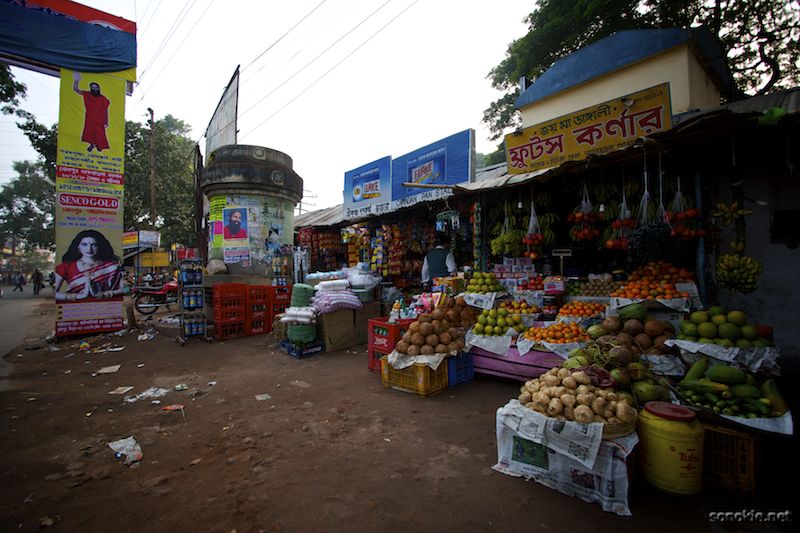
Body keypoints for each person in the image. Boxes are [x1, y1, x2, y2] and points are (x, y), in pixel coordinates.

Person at [54, 230, 124, 302]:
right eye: (84, 244)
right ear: (78, 247)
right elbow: (54, 293)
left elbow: (125, 289)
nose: (89, 249)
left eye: (94, 245)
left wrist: (105, 294)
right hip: (76, 309)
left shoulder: (112, 267)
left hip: (105, 307)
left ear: (99, 247)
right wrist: (79, 296)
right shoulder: (65, 267)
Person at [72, 71, 110, 153]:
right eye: (93, 87)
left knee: (100, 134)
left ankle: (99, 145)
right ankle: (92, 145)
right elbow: (76, 89)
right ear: (91, 88)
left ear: (98, 88)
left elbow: (106, 110)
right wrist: (76, 81)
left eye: (96, 87)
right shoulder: (88, 95)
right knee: (90, 133)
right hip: (90, 118)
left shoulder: (103, 99)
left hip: (100, 120)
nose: (95, 89)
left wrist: (107, 121)